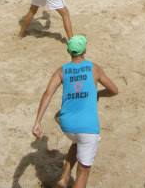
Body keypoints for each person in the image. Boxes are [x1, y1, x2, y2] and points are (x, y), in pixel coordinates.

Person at [32, 35, 118, 188]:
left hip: (67, 126)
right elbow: (114, 90)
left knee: (77, 141)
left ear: (68, 51)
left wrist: (37, 122)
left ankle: (64, 179)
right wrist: (98, 94)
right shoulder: (94, 68)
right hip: (87, 127)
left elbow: (47, 94)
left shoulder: (61, 70)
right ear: (84, 50)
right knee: (83, 171)